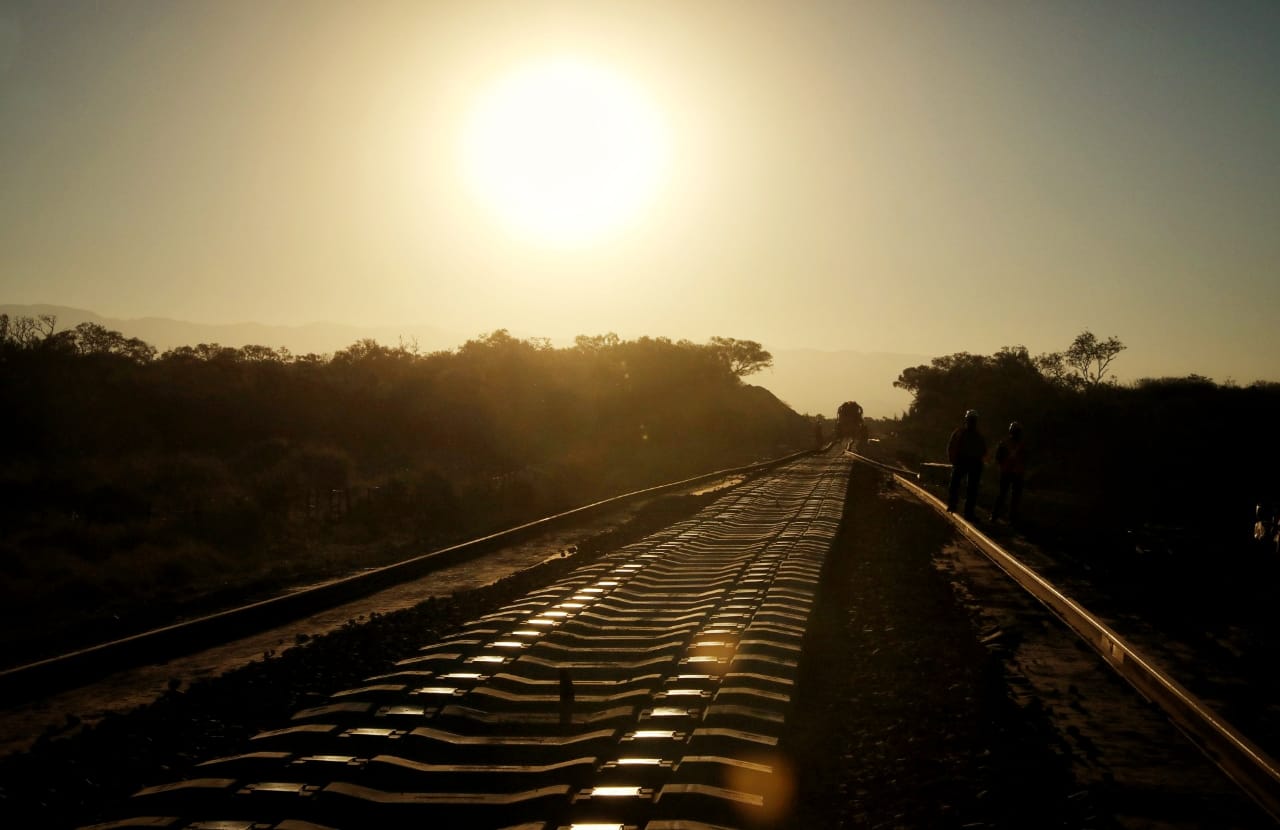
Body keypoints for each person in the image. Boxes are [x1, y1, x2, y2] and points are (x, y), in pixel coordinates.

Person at [947, 409, 986, 520]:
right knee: (964, 487)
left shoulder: (966, 434)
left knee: (965, 487)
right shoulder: (966, 434)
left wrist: (953, 460)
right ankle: (959, 508)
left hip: (968, 462)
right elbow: (951, 446)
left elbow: (951, 446)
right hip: (966, 462)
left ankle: (956, 507)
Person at [991, 421, 1027, 523]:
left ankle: (997, 515)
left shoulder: (1005, 443)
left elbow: (998, 458)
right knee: (1011, 496)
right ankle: (1006, 516)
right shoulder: (1020, 445)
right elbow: (1026, 459)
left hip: (1009, 472)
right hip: (1013, 472)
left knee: (1004, 495)